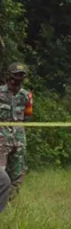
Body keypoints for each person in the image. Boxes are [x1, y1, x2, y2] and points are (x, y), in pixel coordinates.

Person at [0, 62, 33, 203]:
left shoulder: (26, 96)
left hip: (19, 140)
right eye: (16, 75)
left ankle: (8, 205)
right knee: (1, 175)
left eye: (21, 75)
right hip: (1, 140)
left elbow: (27, 116)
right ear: (9, 76)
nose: (19, 78)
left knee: (18, 175)